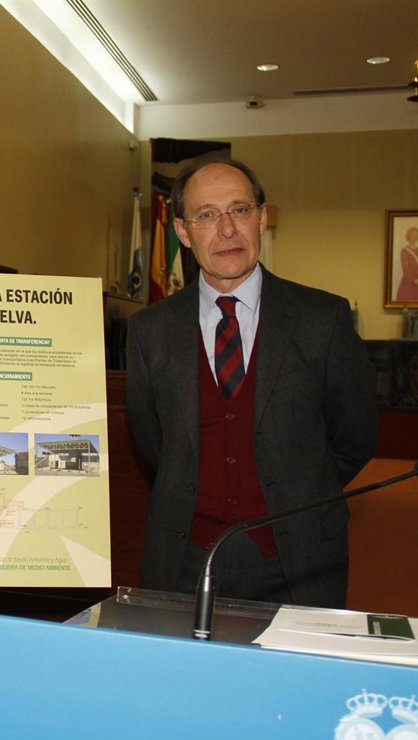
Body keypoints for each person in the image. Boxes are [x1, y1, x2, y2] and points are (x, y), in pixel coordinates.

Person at [125, 158, 376, 610]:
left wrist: (300, 487)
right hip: (183, 560)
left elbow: (354, 437)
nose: (226, 230)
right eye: (207, 215)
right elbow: (154, 444)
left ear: (261, 218)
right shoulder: (151, 331)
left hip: (300, 560)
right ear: (183, 231)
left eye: (239, 210)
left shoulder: (323, 319)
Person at [395, 226, 418, 302]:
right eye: (412, 235)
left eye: (416, 236)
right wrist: (414, 280)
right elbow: (406, 268)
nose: (414, 238)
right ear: (408, 236)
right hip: (409, 282)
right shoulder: (404, 251)